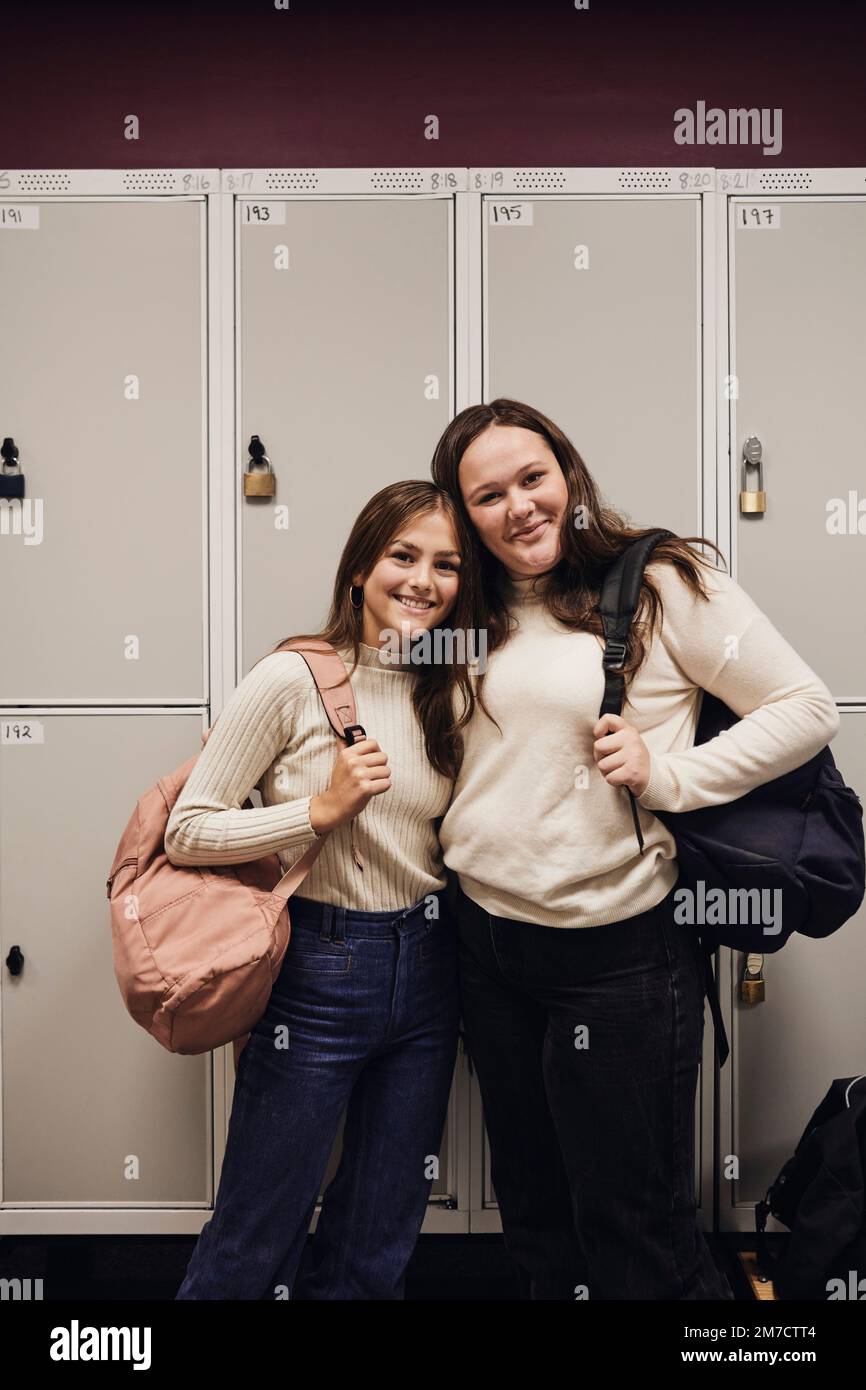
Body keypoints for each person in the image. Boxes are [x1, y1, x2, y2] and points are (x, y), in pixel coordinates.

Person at [429, 397, 840, 1301]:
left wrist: (669, 777)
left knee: (637, 1232)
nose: (519, 507)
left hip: (616, 956)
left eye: (533, 478)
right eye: (488, 495)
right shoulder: (467, 607)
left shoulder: (661, 582)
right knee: (536, 1217)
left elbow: (807, 709)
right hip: (488, 945)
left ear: (568, 476)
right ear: (464, 514)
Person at [167, 480, 479, 1300]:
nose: (423, 580)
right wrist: (316, 810)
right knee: (256, 1230)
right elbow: (188, 830)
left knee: (377, 1233)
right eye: (403, 556)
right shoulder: (292, 675)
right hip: (318, 971)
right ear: (360, 570)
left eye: (446, 565)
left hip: (429, 971)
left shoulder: (448, 687)